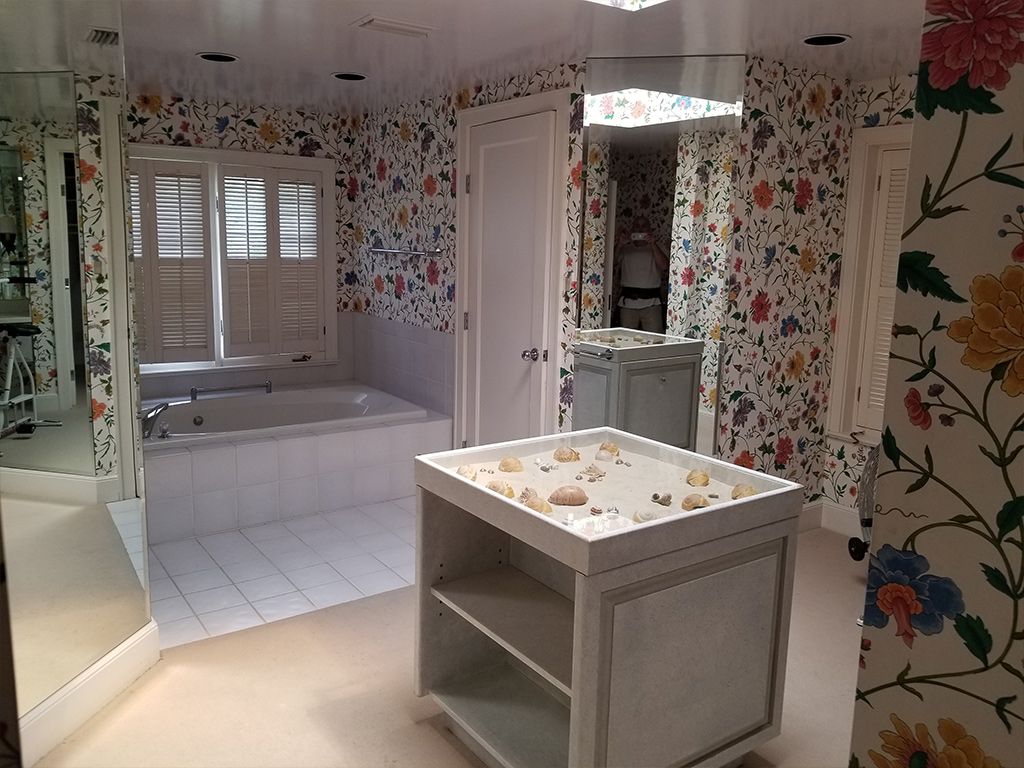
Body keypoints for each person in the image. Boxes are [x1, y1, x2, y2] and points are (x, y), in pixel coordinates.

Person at [614, 216, 668, 332]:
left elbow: (664, 266)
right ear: (632, 229)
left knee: (654, 339)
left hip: (652, 303)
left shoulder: (657, 247)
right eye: (637, 226)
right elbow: (610, 264)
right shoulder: (625, 248)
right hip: (628, 303)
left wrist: (653, 244)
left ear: (649, 229)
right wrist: (620, 244)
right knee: (626, 339)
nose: (640, 229)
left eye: (644, 226)